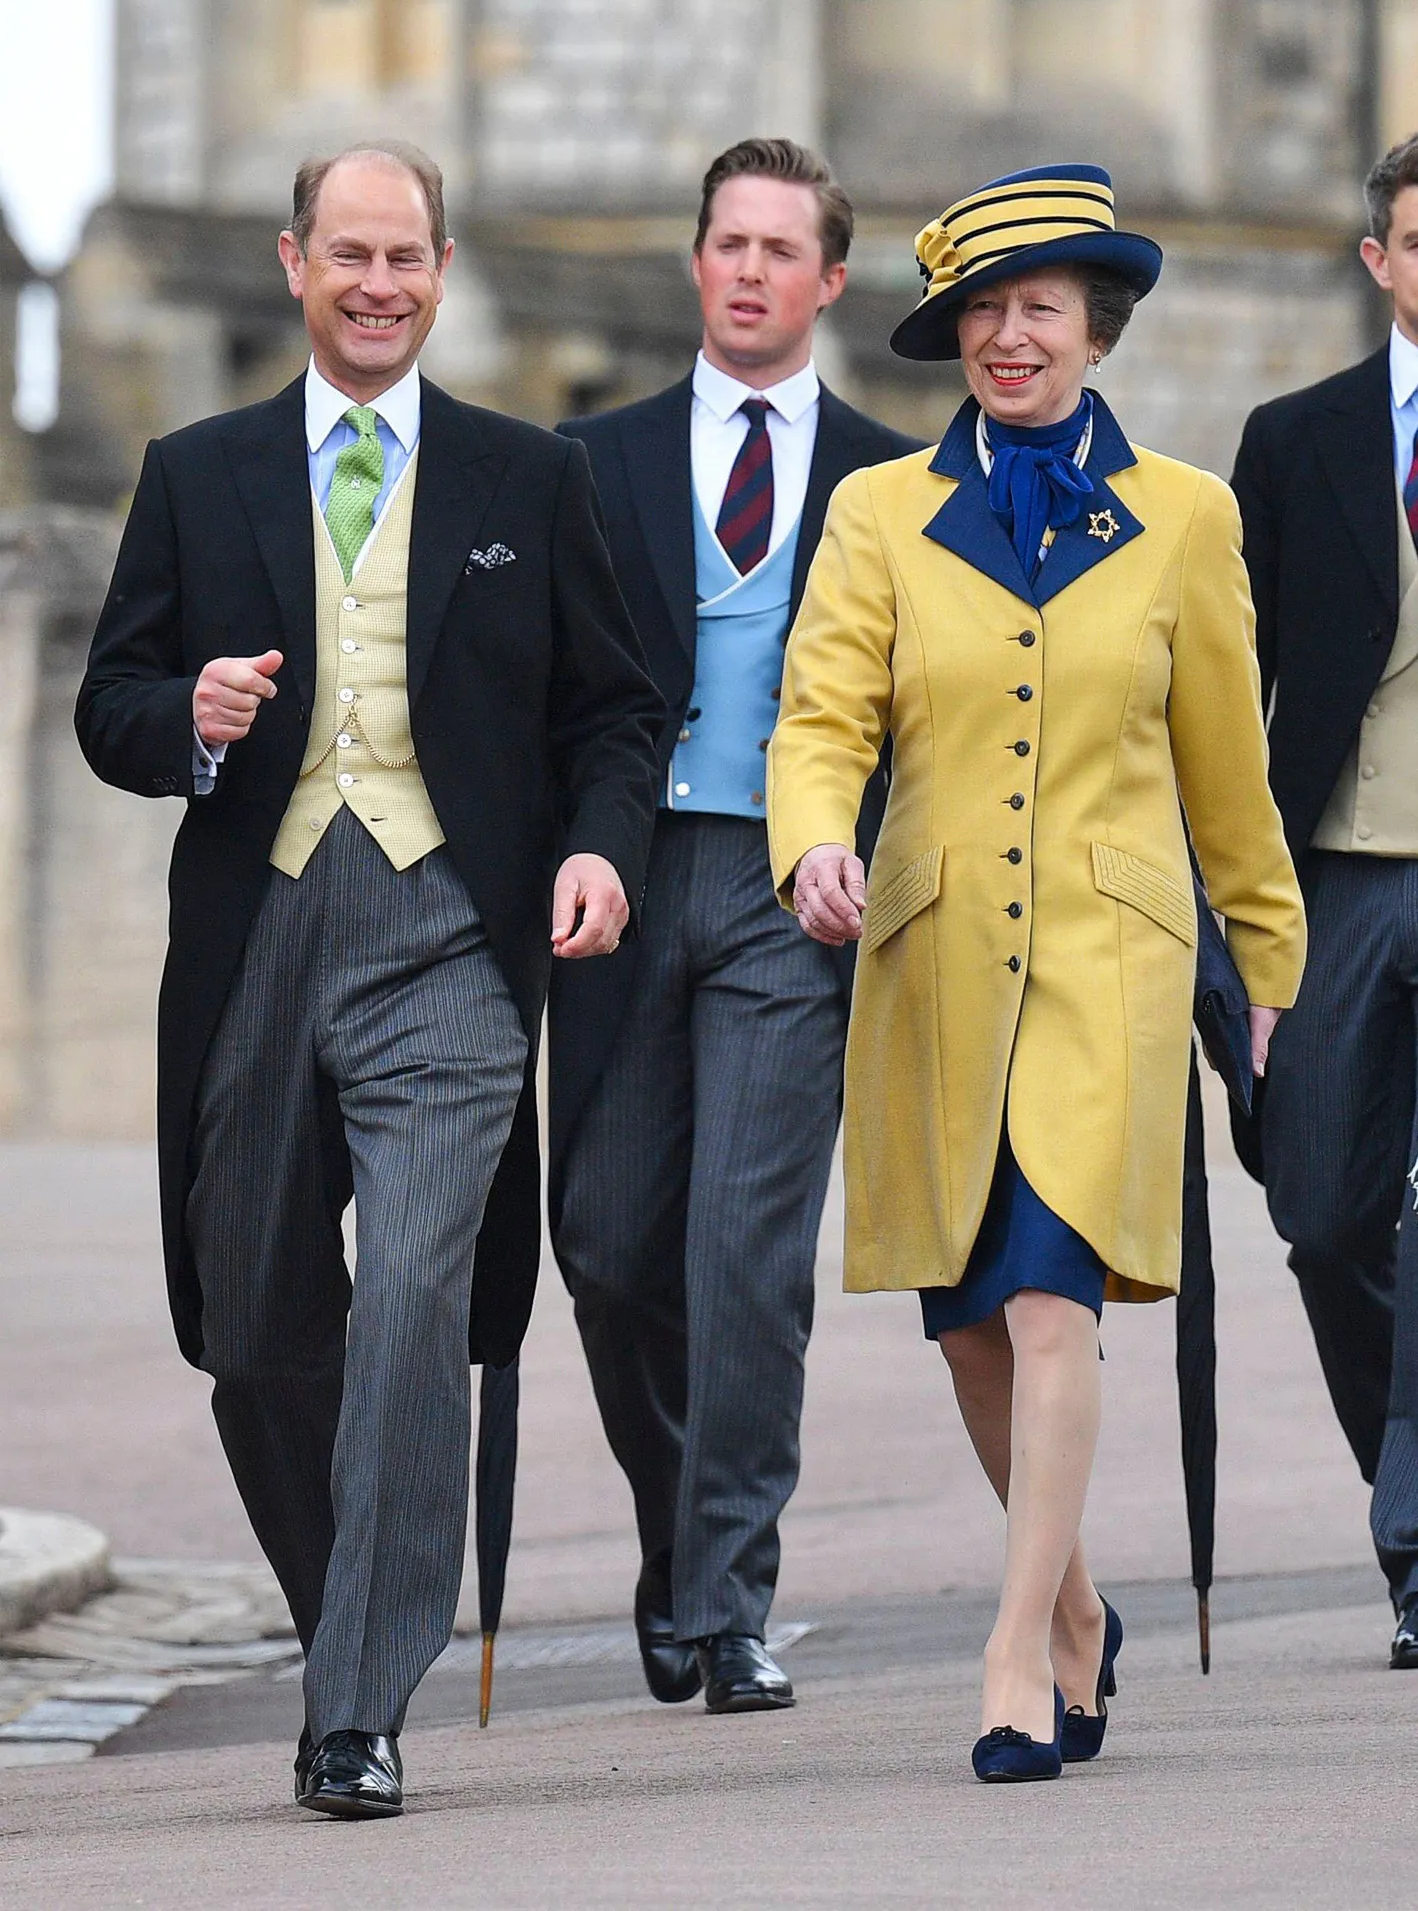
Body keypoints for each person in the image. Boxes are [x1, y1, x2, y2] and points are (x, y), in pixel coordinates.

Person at [75, 141, 661, 1816]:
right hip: (261, 933)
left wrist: (598, 847)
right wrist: (183, 716)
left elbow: (614, 713)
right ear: (293, 264)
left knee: (411, 1295)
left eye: (407, 256)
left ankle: (356, 1703)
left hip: (450, 941)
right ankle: (351, 1604)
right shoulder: (196, 471)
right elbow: (106, 700)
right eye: (351, 255)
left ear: (444, 269)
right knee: (254, 1323)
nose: (380, 284)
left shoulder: (526, 480)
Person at [767, 164, 1306, 1781]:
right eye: (985, 313)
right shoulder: (874, 514)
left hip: (1109, 964)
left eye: (1043, 311)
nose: (1012, 339)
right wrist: (809, 843)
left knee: (1055, 1299)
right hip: (927, 961)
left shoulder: (1188, 516)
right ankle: (1072, 1608)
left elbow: (1227, 764)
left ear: (1097, 328)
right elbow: (819, 720)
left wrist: (1266, 952)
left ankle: (1010, 1655)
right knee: (970, 1329)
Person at [548, 138, 916, 1714]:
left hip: (793, 894)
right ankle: (670, 1531)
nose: (752, 270)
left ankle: (729, 1598)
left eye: (784, 248)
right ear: (695, 265)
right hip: (623, 885)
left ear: (828, 280)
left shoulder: (896, 477)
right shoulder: (586, 460)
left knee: (744, 1256)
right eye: (728, 244)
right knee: (613, 1246)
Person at [1232, 131, 1418, 1666]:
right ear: (1378, 261)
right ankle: (1401, 1485)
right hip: (1336, 877)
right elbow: (1235, 702)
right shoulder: (1294, 442)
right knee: (1327, 1221)